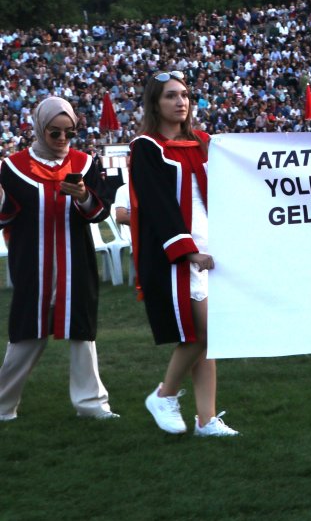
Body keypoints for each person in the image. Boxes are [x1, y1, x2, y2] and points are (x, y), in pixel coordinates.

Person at [130, 71, 238, 436]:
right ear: (155, 104)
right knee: (202, 334)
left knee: (207, 337)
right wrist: (188, 251)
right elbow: (157, 205)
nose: (181, 102)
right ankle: (164, 394)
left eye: (185, 95)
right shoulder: (147, 147)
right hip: (177, 251)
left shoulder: (205, 142)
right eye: (170, 96)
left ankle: (206, 420)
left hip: (211, 245)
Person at [0, 97, 117, 420]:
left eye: (70, 132)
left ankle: (91, 404)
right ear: (40, 129)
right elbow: (5, 217)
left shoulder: (84, 163)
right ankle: (3, 405)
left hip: (75, 262)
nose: (63, 139)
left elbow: (99, 212)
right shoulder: (12, 168)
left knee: (82, 333)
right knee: (26, 334)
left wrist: (83, 197)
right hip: (32, 263)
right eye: (55, 133)